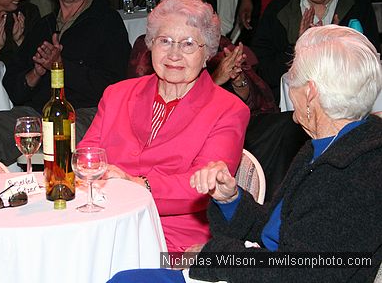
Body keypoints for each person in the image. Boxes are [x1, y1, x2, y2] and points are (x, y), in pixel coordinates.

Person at [109, 25, 382, 282]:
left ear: (310, 93)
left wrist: (213, 257)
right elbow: (275, 231)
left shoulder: (355, 173)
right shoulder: (327, 147)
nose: (289, 88)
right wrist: (231, 200)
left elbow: (303, 272)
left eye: (293, 80)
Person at [79, 0, 250, 253]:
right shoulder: (117, 95)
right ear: (150, 46)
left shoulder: (228, 110)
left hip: (172, 242)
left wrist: (137, 184)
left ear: (208, 53)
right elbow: (86, 157)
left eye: (188, 44)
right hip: (103, 224)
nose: (174, 54)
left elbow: (201, 186)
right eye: (165, 41)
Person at [0, 0, 130, 166]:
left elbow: (116, 85)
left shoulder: (107, 22)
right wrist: (35, 73)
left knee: (56, 133)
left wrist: (62, 66)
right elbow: (14, 88)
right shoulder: (43, 26)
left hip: (86, 114)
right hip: (35, 114)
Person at [128, 0, 277, 116]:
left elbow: (258, 105)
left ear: (206, 6)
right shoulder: (149, 46)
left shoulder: (222, 48)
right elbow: (138, 105)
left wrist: (238, 80)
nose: (181, 3)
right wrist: (215, 81)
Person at [251, 0, 380, 102]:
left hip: (348, 104)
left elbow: (372, 68)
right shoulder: (278, 10)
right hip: (291, 111)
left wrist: (338, 47)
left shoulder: (358, 7)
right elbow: (261, 74)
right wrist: (298, 48)